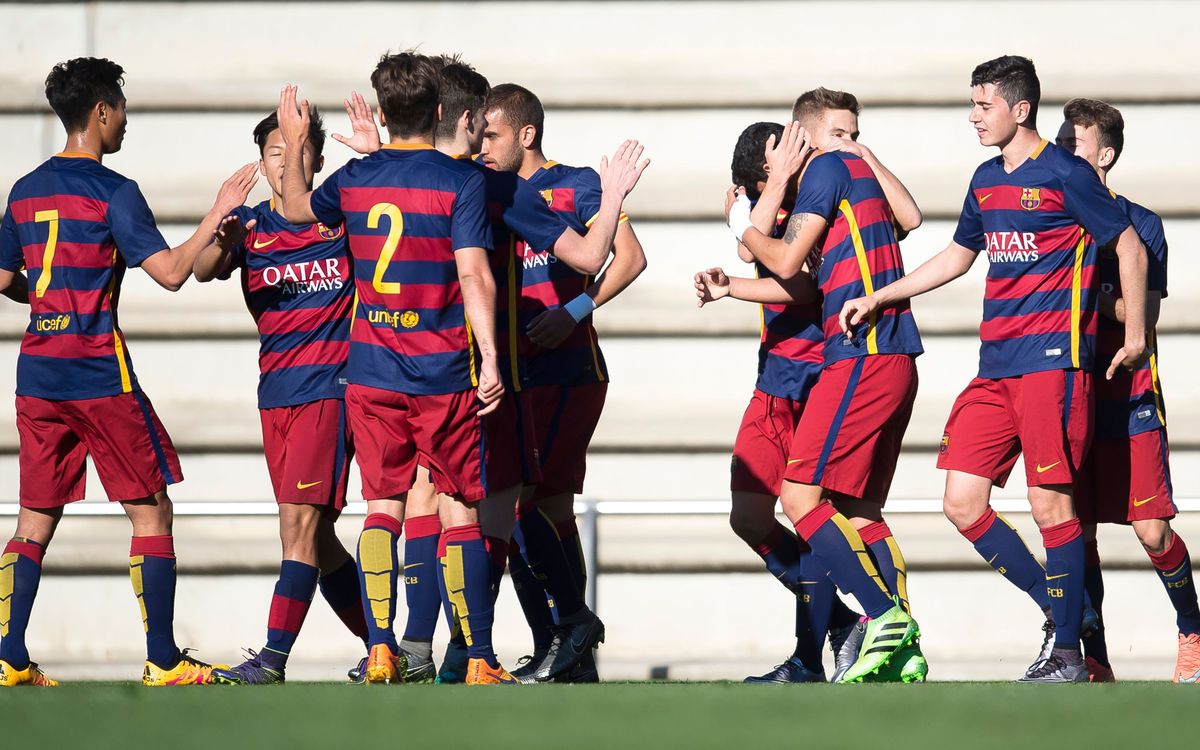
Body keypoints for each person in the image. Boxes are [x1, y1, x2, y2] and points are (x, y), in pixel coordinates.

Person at [837, 56, 1150, 682]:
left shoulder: (1065, 173)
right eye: (973, 104)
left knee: (1049, 505)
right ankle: (1066, 612)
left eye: (984, 105)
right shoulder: (984, 178)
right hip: (996, 367)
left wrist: (1137, 333)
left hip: (1053, 365)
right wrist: (881, 296)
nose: (974, 116)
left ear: (1020, 109)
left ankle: (1066, 655)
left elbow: (1129, 244)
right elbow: (958, 255)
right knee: (961, 500)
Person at [0, 57, 256, 687]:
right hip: (96, 374)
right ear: (101, 112)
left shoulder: (25, 190)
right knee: (151, 513)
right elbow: (171, 273)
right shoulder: (113, 191)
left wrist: (49, 302)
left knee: (34, 518)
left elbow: (5, 278)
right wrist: (216, 212)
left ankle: (7, 655)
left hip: (38, 372)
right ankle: (164, 659)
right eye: (121, 108)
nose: (125, 121)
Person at [728, 87, 925, 683]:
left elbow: (788, 270)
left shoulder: (834, 174)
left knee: (806, 501)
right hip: (827, 366)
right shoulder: (820, 182)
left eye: (855, 133)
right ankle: (880, 634)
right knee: (827, 509)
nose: (852, 143)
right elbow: (775, 262)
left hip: (846, 361)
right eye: (840, 133)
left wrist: (742, 228)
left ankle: (879, 619)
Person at [192, 109, 371, 684]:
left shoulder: (341, 218)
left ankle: (272, 659)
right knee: (317, 536)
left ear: (316, 159)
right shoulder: (250, 225)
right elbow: (201, 270)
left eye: (297, 149)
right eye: (276, 150)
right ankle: (386, 645)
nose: (286, 159)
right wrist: (221, 226)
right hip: (276, 392)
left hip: (329, 387)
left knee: (296, 526)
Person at [478, 82, 648, 683]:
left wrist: (574, 312)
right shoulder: (486, 189)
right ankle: (559, 644)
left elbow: (628, 257)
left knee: (533, 504)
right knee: (539, 508)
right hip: (516, 371)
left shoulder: (574, 184)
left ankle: (567, 637)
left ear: (526, 134)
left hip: (567, 368)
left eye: (491, 133)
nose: (481, 144)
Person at [1056, 98, 1200, 683]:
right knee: (1076, 528)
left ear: (1105, 154)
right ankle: (1096, 658)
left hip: (1133, 393)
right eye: (1061, 143)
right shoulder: (1055, 219)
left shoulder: (1142, 224)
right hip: (1070, 392)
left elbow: (1147, 313)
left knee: (1152, 529)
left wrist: (1091, 294)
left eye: (1077, 144)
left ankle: (1192, 630)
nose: (1064, 153)